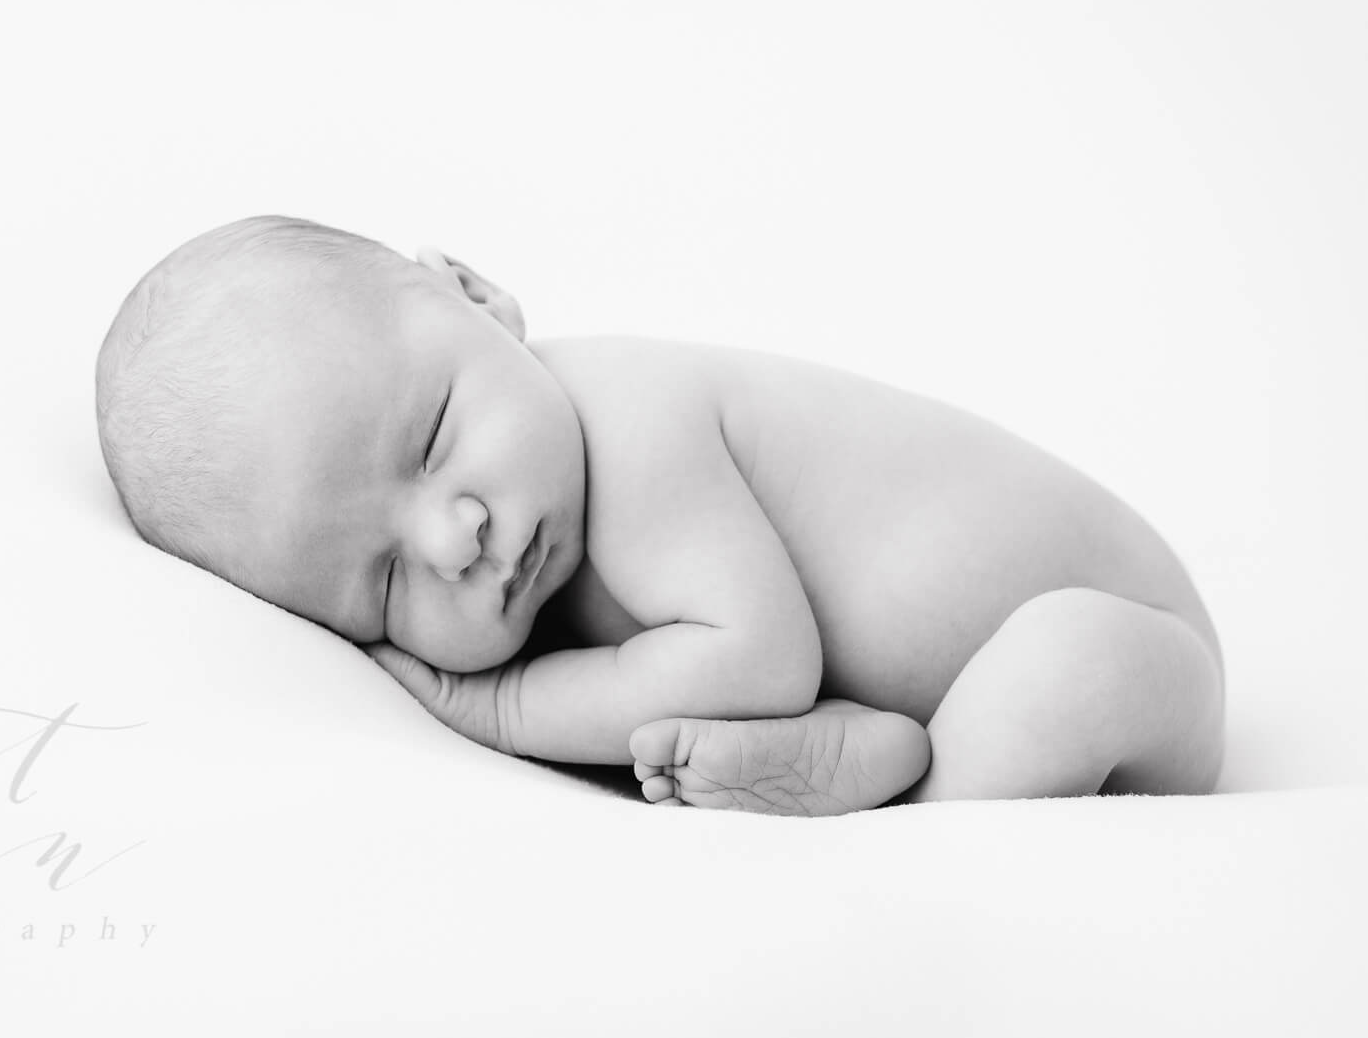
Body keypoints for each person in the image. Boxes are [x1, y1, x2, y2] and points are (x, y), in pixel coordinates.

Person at [94, 215, 1224, 814]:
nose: (454, 538)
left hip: (1133, 643)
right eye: (382, 581)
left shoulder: (624, 418)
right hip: (967, 692)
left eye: (434, 435)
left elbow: (758, 657)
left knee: (1058, 665)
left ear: (479, 296)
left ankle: (896, 797)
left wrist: (502, 709)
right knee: (1005, 709)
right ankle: (881, 767)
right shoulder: (544, 531)